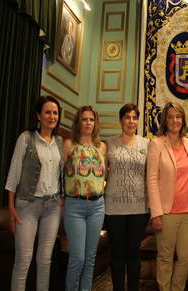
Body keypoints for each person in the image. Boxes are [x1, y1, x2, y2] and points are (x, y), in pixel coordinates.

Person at [5, 96, 63, 291]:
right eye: (47, 112)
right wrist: (11, 207)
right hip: (27, 205)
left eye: (55, 113)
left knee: (45, 260)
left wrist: (61, 196)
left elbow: (62, 173)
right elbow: (14, 173)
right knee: (23, 260)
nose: (51, 116)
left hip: (52, 207)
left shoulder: (60, 142)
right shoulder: (26, 138)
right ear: (38, 115)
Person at [146, 102, 188, 291]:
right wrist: (156, 213)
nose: (175, 120)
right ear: (165, 120)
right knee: (165, 257)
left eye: (178, 116)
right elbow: (151, 180)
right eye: (171, 116)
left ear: (183, 119)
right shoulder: (156, 143)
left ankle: (176, 288)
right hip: (166, 212)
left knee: (187, 255)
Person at [104, 104, 149, 291]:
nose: (132, 121)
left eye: (135, 118)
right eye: (128, 117)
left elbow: (151, 176)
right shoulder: (108, 143)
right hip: (113, 208)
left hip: (139, 208)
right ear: (120, 120)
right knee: (117, 255)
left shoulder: (147, 144)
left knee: (133, 254)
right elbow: (102, 174)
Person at [63, 105, 107, 291]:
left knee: (90, 259)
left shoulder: (101, 147)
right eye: (84, 119)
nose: (88, 123)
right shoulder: (68, 145)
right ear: (78, 122)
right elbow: (59, 174)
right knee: (77, 258)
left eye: (91, 119)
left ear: (95, 122)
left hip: (97, 206)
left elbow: (105, 176)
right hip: (74, 206)